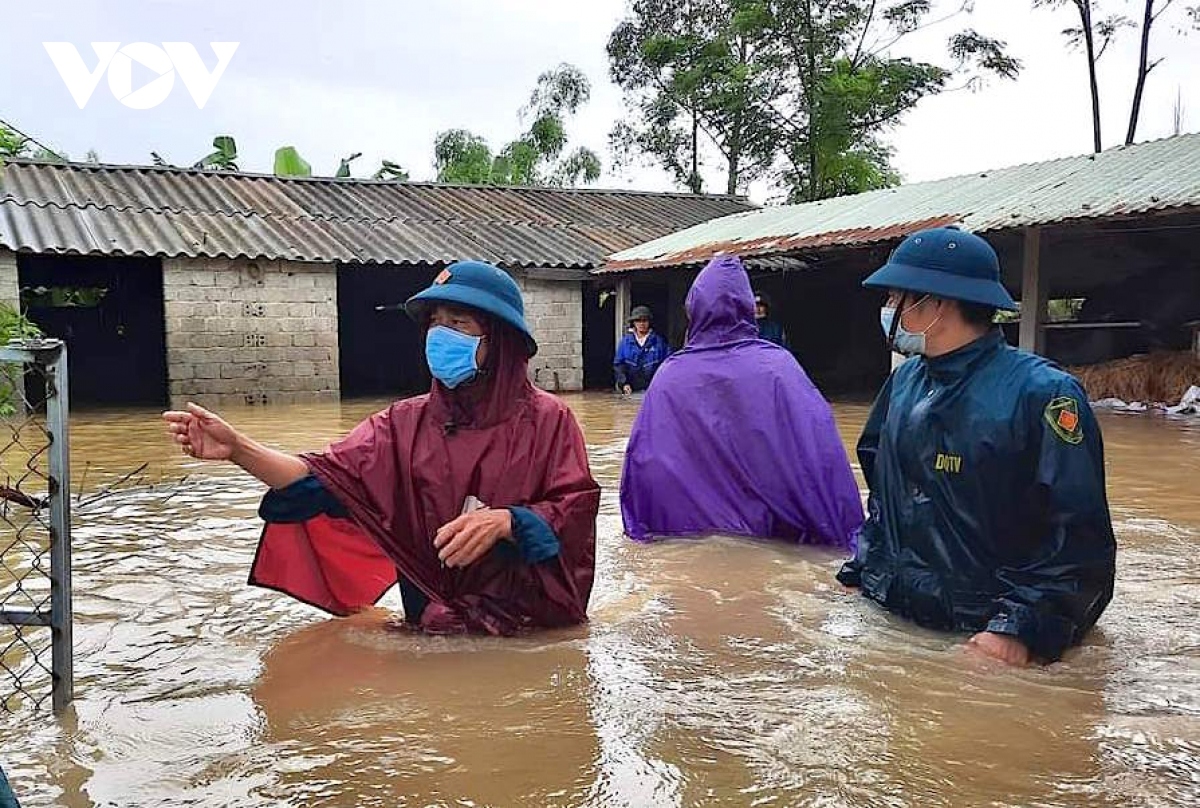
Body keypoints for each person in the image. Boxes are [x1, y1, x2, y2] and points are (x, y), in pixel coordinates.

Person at [163, 260, 600, 635]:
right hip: (427, 627)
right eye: (434, 321)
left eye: (458, 322)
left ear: (499, 339)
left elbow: (576, 510)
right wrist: (239, 448)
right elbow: (321, 478)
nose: (438, 334)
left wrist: (511, 522)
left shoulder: (549, 420)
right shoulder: (402, 423)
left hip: (522, 635)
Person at [837, 227, 1116, 666]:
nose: (889, 310)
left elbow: (1080, 540)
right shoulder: (905, 382)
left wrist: (1017, 631)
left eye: (896, 297)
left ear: (936, 302)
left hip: (983, 640)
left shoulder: (1043, 394)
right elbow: (885, 500)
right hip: (894, 617)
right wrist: (859, 574)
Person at [620, 255, 863, 547]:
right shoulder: (779, 369)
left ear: (693, 308)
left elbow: (645, 470)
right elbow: (819, 457)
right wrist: (842, 539)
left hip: (691, 547)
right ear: (747, 307)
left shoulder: (670, 376)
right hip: (772, 543)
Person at [613, 305, 671, 394]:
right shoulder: (625, 342)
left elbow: (667, 365)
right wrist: (624, 384)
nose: (641, 324)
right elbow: (619, 365)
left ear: (649, 322)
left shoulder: (659, 342)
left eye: (644, 320)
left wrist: (660, 385)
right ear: (634, 323)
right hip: (630, 390)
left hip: (653, 389)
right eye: (638, 321)